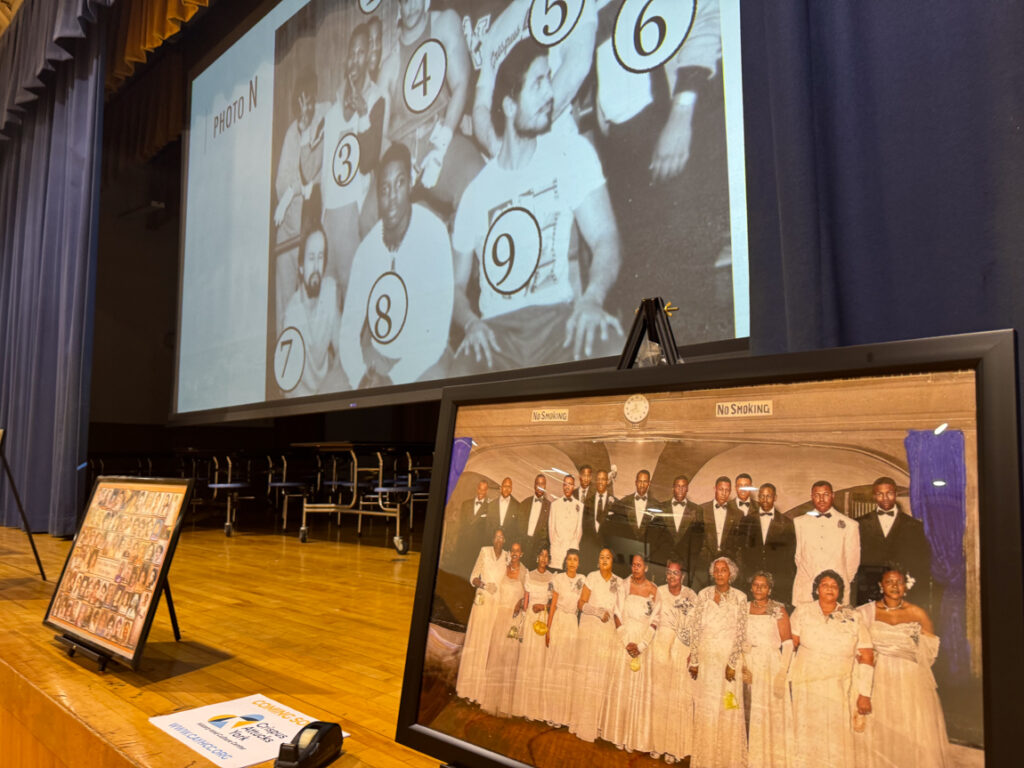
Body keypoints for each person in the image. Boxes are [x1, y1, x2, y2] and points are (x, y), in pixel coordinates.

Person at [450, 38, 623, 375]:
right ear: (510, 106)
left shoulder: (569, 155)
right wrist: (471, 324)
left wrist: (592, 298)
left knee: (615, 348)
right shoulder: (475, 193)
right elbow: (455, 287)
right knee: (459, 376)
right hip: (497, 335)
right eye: (538, 83)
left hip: (558, 322)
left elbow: (606, 237)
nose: (550, 94)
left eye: (549, 80)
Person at [339, 141, 454, 388]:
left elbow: (437, 332)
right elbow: (348, 331)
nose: (391, 198)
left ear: (411, 184)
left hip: (426, 356)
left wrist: (393, 379)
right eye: (384, 189)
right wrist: (360, 376)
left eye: (399, 184)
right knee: (333, 390)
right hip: (377, 356)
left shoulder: (434, 234)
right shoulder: (366, 251)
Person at [380, 0, 482, 218]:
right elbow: (382, 136)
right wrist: (401, 163)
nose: (411, 6)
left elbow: (461, 84)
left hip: (439, 132)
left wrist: (440, 147)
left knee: (474, 180)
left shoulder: (444, 23)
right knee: (369, 218)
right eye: (405, 1)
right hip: (403, 148)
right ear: (399, 6)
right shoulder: (388, 66)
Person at [470, 0, 597, 157]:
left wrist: (524, 133)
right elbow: (480, 106)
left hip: (556, 147)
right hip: (511, 163)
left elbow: (577, 64)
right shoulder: (494, 31)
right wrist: (496, 145)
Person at [854, 566, 951, 768]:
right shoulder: (865, 612)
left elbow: (930, 652)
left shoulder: (918, 613)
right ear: (881, 586)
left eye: (899, 582)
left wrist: (908, 661)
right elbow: (857, 645)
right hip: (879, 677)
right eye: (889, 582)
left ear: (905, 586)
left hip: (910, 679)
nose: (894, 586)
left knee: (911, 726)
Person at [320, 22, 386, 295]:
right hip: (329, 214)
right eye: (352, 53)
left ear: (369, 57)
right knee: (328, 295)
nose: (355, 60)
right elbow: (325, 168)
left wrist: (363, 116)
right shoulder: (333, 111)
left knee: (352, 296)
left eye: (361, 53)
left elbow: (369, 160)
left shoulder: (377, 98)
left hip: (351, 210)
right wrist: (323, 212)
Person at [790, 570, 874, 768]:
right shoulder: (802, 611)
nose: (829, 589)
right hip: (806, 684)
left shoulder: (853, 616)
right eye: (824, 585)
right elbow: (790, 646)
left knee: (835, 735)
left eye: (834, 586)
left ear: (840, 591)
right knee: (805, 732)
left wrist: (865, 693)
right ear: (816, 589)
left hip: (838, 687)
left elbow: (867, 656)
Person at [273, 68, 327, 329]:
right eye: (300, 100)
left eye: (309, 98)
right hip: (288, 231)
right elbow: (280, 183)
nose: (305, 105)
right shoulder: (292, 131)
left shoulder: (325, 118)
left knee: (309, 301)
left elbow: (317, 173)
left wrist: (301, 188)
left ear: (315, 97)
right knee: (284, 304)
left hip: (310, 230)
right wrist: (293, 191)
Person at [688, 556, 748, 768]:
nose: (720, 573)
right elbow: (695, 629)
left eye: (724, 570)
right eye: (717, 570)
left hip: (727, 660)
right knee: (706, 707)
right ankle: (705, 759)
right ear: (712, 573)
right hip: (706, 659)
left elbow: (741, 633)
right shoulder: (703, 595)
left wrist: (732, 663)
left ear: (731, 574)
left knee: (727, 706)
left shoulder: (740, 598)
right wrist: (694, 659)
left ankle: (726, 761)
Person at [602, 553, 660, 753]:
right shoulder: (624, 586)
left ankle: (634, 737)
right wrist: (627, 641)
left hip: (642, 643)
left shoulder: (654, 590)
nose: (635, 568)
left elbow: (655, 620)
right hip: (624, 640)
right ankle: (618, 734)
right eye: (633, 565)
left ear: (646, 568)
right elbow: (616, 613)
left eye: (639, 565)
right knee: (622, 687)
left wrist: (641, 645)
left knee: (638, 689)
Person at [281, 226, 344, 397]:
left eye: (320, 257)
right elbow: (289, 388)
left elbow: (342, 348)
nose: (316, 266)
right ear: (300, 267)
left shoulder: (330, 289)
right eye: (310, 258)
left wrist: (332, 385)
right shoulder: (292, 316)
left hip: (327, 388)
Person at [855, 477, 932, 610]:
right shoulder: (859, 524)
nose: (885, 497)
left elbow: (921, 564)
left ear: (896, 494)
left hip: (904, 592)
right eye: (880, 494)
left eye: (889, 493)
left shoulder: (915, 526)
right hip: (869, 592)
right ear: (874, 496)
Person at [570, 547, 621, 743]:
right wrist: (596, 611)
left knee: (600, 678)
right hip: (590, 630)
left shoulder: (618, 582)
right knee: (586, 676)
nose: (604, 560)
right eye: (601, 557)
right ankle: (579, 724)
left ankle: (595, 726)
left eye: (608, 557)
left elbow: (618, 609)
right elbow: (581, 604)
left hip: (606, 635)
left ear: (612, 561)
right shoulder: (591, 577)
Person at [650, 557, 699, 763]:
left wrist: (693, 653)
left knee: (678, 699)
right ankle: (657, 744)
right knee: (660, 696)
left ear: (683, 576)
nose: (671, 576)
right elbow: (651, 619)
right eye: (669, 572)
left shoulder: (691, 595)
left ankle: (673, 747)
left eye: (676, 573)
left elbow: (696, 626)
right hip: (661, 644)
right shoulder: (658, 592)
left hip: (681, 648)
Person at [455, 527, 511, 703]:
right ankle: (468, 689)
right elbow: (473, 577)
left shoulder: (508, 556)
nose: (498, 540)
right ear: (492, 538)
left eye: (502, 537)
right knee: (477, 642)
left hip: (497, 605)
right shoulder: (484, 551)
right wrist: (485, 585)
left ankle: (482, 693)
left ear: (505, 540)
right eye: (496, 537)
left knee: (490, 644)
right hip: (482, 602)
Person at [744, 571, 793, 768]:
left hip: (770, 665)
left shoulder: (778, 609)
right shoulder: (744, 608)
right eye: (755, 585)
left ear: (770, 589)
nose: (758, 589)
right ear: (751, 587)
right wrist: (743, 662)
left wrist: (782, 674)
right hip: (749, 662)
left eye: (763, 586)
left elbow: (788, 643)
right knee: (749, 712)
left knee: (769, 713)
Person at [479, 541, 528, 716]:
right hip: (499, 617)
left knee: (509, 659)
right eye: (512, 550)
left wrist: (520, 603)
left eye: (518, 551)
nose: (514, 553)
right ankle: (491, 701)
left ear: (522, 554)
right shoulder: (503, 569)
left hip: (513, 620)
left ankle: (505, 705)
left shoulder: (525, 573)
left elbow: (527, 597)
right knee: (496, 657)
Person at [793, 481, 860, 606]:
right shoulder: (799, 522)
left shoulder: (850, 525)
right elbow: (798, 557)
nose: (821, 499)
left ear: (833, 496)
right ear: (812, 497)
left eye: (826, 494)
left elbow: (852, 562)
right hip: (806, 590)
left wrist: (837, 583)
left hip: (836, 591)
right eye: (817, 495)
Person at [510, 546, 554, 720]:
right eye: (541, 555)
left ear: (549, 560)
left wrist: (543, 607)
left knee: (538, 660)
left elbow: (553, 603)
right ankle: (521, 706)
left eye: (546, 556)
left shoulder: (552, 578)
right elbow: (526, 600)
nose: (543, 559)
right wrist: (522, 618)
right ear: (537, 558)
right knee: (526, 659)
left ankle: (534, 709)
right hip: (529, 620)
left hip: (542, 620)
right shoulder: (529, 575)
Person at [542, 548, 585, 727]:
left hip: (571, 624)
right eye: (569, 559)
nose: (572, 563)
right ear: (565, 562)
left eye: (575, 559)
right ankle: (549, 713)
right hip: (559, 620)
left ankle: (562, 716)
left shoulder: (583, 581)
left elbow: (584, 604)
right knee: (554, 665)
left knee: (566, 668)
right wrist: (548, 629)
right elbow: (552, 605)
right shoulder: (558, 579)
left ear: (578, 562)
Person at [739, 483, 797, 608]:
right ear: (758, 497)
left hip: (776, 581)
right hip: (752, 579)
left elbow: (789, 557)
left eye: (768, 496)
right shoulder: (747, 520)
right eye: (762, 496)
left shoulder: (786, 523)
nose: (765, 500)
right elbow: (742, 551)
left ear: (775, 497)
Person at [648, 473, 703, 587]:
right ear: (673, 488)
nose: (680, 489)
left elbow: (697, 541)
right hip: (663, 563)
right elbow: (654, 538)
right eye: (678, 486)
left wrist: (686, 562)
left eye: (683, 486)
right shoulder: (661, 507)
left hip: (686, 564)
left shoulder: (697, 510)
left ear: (687, 488)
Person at [604, 469, 660, 577]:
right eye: (640, 481)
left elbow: (657, 535)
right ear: (635, 482)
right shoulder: (624, 502)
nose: (642, 485)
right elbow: (617, 530)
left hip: (647, 559)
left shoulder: (656, 506)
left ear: (649, 483)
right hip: (626, 558)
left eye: (645, 482)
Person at [695, 476, 744, 592]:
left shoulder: (738, 514)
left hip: (727, 565)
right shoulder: (701, 509)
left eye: (727, 490)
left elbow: (738, 543)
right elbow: (696, 538)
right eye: (721, 489)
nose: (724, 493)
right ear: (715, 489)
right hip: (703, 563)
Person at [579, 468, 615, 573]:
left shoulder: (614, 502)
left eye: (603, 479)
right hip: (590, 552)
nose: (600, 482)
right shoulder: (588, 502)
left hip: (606, 554)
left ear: (608, 481)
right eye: (598, 479)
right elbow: (584, 527)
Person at [548, 474, 583, 572]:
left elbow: (578, 531)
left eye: (570, 484)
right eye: (565, 484)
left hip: (571, 551)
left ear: (574, 486)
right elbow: (551, 529)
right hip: (557, 551)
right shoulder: (554, 505)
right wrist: (555, 547)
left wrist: (573, 549)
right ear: (563, 486)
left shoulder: (580, 506)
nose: (567, 487)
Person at [519, 473, 551, 568]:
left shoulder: (550, 507)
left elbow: (548, 533)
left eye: (542, 484)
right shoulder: (524, 503)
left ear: (545, 486)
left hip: (538, 550)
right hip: (523, 547)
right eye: (538, 483)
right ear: (534, 485)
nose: (540, 486)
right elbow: (519, 528)